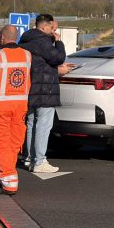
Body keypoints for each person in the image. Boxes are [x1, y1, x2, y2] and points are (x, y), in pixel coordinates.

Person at [0, 25, 32, 195]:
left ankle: (9, 181)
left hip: (1, 106)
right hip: (21, 106)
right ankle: (10, 176)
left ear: (2, 37)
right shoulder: (27, 55)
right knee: (14, 143)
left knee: (0, 143)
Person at [19, 14, 73, 173]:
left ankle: (30, 158)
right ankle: (40, 161)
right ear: (44, 26)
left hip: (31, 87)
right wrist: (59, 42)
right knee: (43, 125)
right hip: (45, 89)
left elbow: (40, 63)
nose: (53, 31)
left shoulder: (26, 40)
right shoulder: (42, 41)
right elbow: (58, 58)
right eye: (51, 28)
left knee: (32, 123)